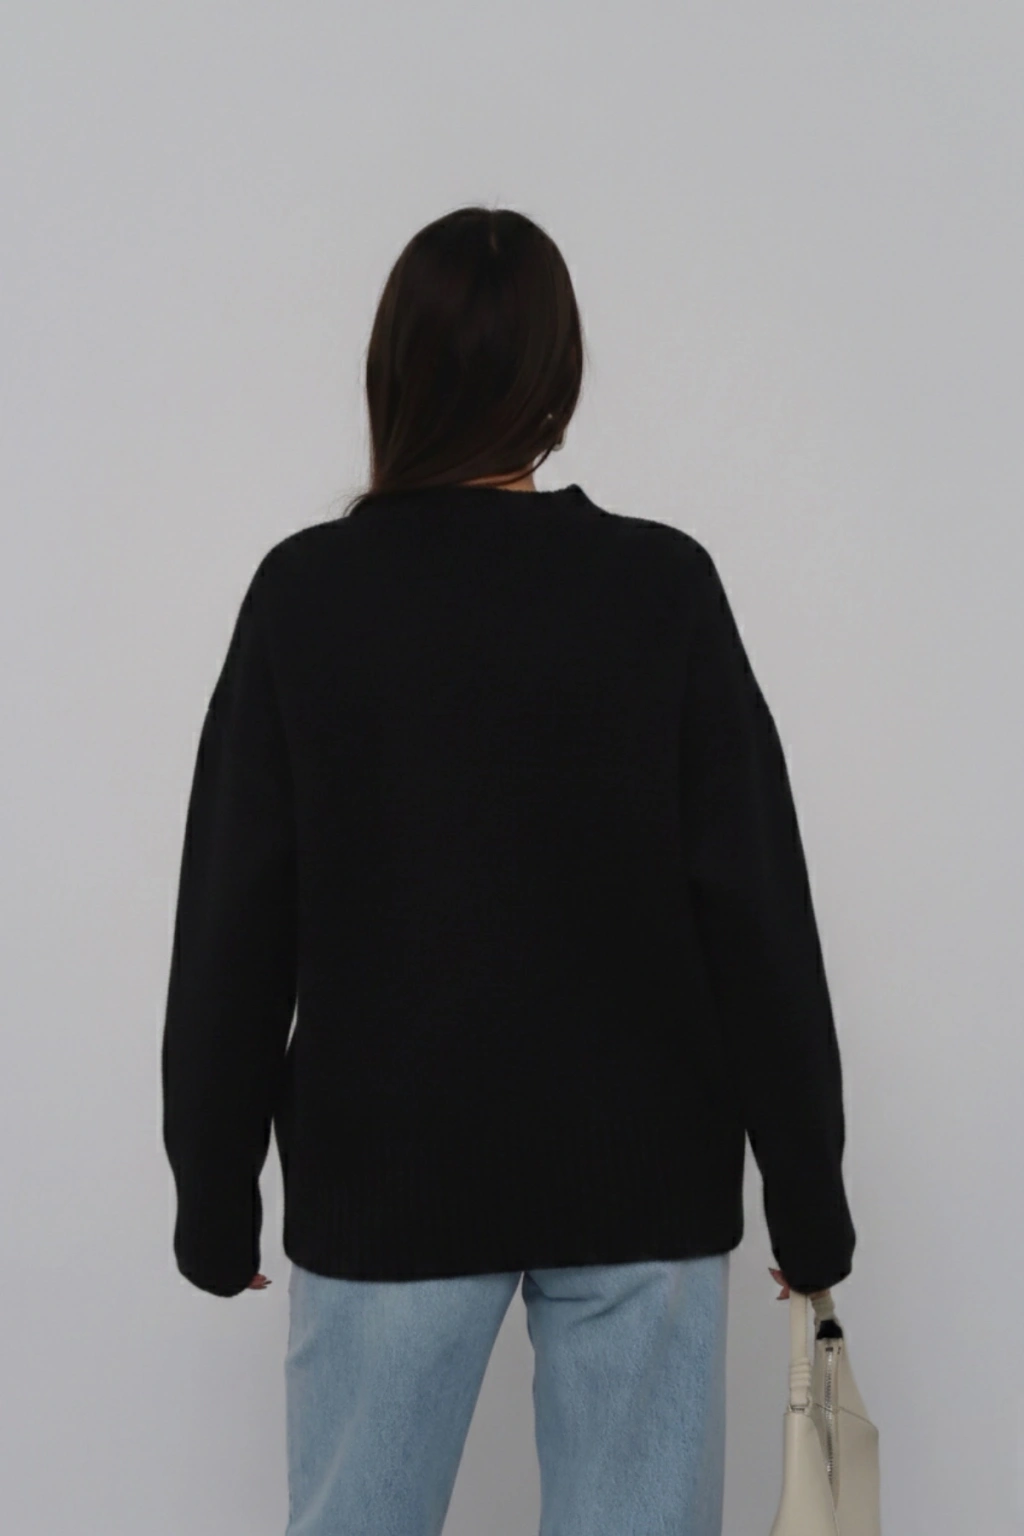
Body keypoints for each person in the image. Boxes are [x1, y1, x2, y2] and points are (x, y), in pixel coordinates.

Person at [161, 205, 855, 1536]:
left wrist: (214, 1190)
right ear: (558, 377)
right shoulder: (662, 589)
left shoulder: (308, 596)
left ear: (392, 368)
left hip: (388, 1178)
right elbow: (757, 911)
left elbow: (235, 914)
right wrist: (809, 1200)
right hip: (643, 1181)